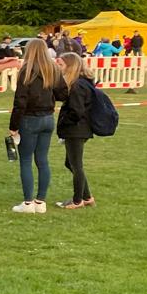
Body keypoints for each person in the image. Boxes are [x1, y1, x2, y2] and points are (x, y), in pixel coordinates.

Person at [8, 38, 66, 214]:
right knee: (42, 160)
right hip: (48, 117)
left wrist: (13, 125)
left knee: (26, 160)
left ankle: (27, 203)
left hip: (30, 118)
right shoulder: (52, 69)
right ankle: (40, 201)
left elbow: (20, 101)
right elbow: (63, 93)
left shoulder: (27, 71)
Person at [56, 53, 97, 208]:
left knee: (76, 165)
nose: (58, 68)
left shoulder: (77, 85)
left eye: (61, 65)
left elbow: (76, 111)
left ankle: (77, 200)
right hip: (80, 128)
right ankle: (87, 197)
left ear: (70, 66)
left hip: (76, 129)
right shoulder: (82, 83)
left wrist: (64, 123)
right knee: (70, 163)